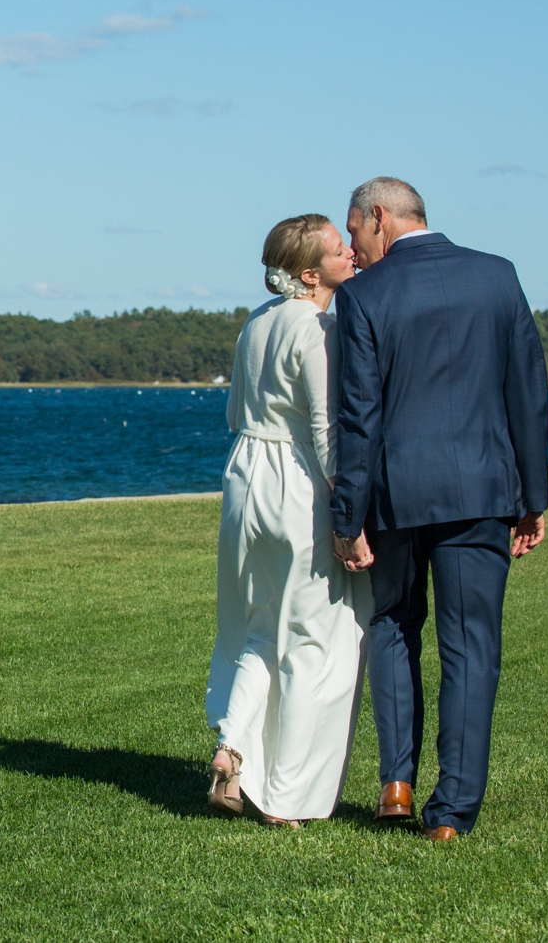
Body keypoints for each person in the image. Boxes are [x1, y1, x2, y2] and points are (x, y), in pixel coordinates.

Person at [328, 177, 548, 842]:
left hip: (397, 492)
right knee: (471, 646)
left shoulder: (364, 296)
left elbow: (357, 417)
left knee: (394, 627)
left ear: (380, 217)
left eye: (354, 229)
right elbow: (528, 394)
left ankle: (395, 782)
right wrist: (532, 497)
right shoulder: (498, 277)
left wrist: (347, 515)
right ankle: (451, 811)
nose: (351, 246)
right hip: (481, 489)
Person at [204, 214, 369, 827]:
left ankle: (233, 747)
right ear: (309, 273)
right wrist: (347, 515)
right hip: (297, 485)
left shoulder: (255, 322)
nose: (350, 253)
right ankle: (287, 796)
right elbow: (327, 432)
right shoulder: (317, 328)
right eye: (337, 249)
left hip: (243, 479)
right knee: (314, 641)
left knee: (255, 627)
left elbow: (232, 411)